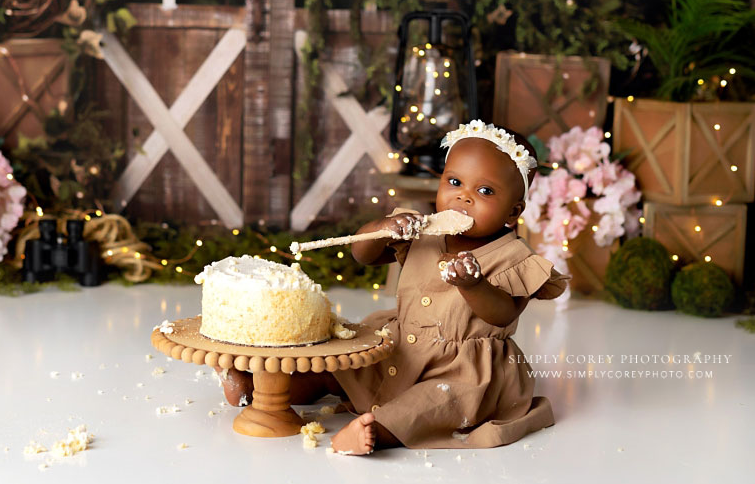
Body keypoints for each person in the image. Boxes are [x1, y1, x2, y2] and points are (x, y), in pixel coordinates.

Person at [218, 120, 570, 455]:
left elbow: (503, 313)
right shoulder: (422, 229)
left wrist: (474, 285)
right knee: (338, 370)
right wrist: (384, 227)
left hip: (462, 369)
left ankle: (377, 431)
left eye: (485, 191)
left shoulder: (514, 257)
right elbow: (363, 254)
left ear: (513, 211)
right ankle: (257, 391)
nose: (463, 198)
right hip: (401, 346)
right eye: (454, 182)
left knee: (432, 404)